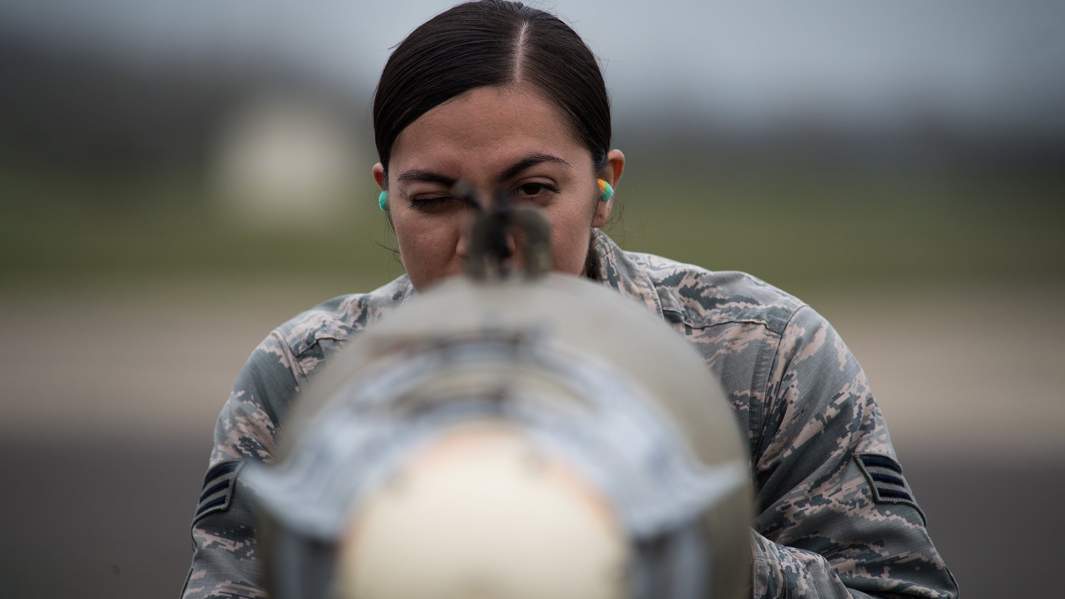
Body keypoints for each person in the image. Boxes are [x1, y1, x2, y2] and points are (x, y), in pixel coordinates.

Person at [181, 2, 958, 597]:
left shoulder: (764, 353)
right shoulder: (304, 375)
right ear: (386, 195)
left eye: (532, 189)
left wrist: (704, 547)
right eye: (435, 199)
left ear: (603, 184)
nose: (487, 235)